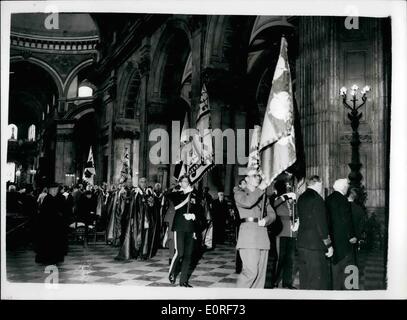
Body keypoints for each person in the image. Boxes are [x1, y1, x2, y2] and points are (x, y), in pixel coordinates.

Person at [234, 174, 276, 288]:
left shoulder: (263, 196)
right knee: (250, 272)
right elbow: (248, 202)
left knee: (260, 277)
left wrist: (266, 220)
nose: (258, 178)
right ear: (246, 179)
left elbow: (272, 214)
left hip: (262, 236)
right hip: (249, 237)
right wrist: (260, 189)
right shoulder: (239, 193)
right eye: (254, 175)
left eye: (258, 176)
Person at [297, 175, 333, 290]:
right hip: (315, 246)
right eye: (321, 185)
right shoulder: (317, 199)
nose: (322, 187)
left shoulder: (301, 197)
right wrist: (328, 245)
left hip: (302, 243)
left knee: (304, 279)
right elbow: (321, 225)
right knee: (317, 281)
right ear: (318, 184)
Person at [168, 175, 203, 287]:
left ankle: (183, 281)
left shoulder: (194, 194)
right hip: (180, 226)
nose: (186, 183)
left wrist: (194, 216)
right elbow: (168, 194)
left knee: (188, 255)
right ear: (180, 183)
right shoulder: (177, 194)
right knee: (180, 252)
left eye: (187, 181)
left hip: (191, 227)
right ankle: (172, 273)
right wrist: (178, 188)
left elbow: (199, 210)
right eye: (183, 181)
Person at [326, 178, 357, 290]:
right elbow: (347, 221)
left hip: (332, 239)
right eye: (347, 187)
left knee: (335, 266)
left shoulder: (328, 199)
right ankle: (347, 291)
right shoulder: (344, 200)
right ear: (344, 188)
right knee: (347, 268)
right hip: (344, 240)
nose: (347, 189)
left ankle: (335, 289)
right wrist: (352, 236)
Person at [271, 179, 298, 289]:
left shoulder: (290, 199)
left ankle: (287, 282)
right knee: (280, 258)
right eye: (286, 186)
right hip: (281, 231)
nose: (288, 187)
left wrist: (296, 221)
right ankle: (274, 281)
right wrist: (286, 196)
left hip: (291, 232)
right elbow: (275, 204)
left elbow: (294, 211)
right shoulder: (278, 198)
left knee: (290, 259)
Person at [33, 185, 66, 264]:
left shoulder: (55, 198)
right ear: (50, 190)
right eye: (53, 190)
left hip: (54, 225)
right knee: (47, 242)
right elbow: (46, 212)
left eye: (56, 190)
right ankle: (47, 258)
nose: (55, 191)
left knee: (53, 242)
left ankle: (53, 257)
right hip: (48, 225)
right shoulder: (48, 198)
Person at [348, 187, 367, 267]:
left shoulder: (341, 207)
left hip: (342, 239)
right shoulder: (359, 209)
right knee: (353, 260)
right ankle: (352, 278)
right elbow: (362, 225)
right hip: (354, 239)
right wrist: (357, 237)